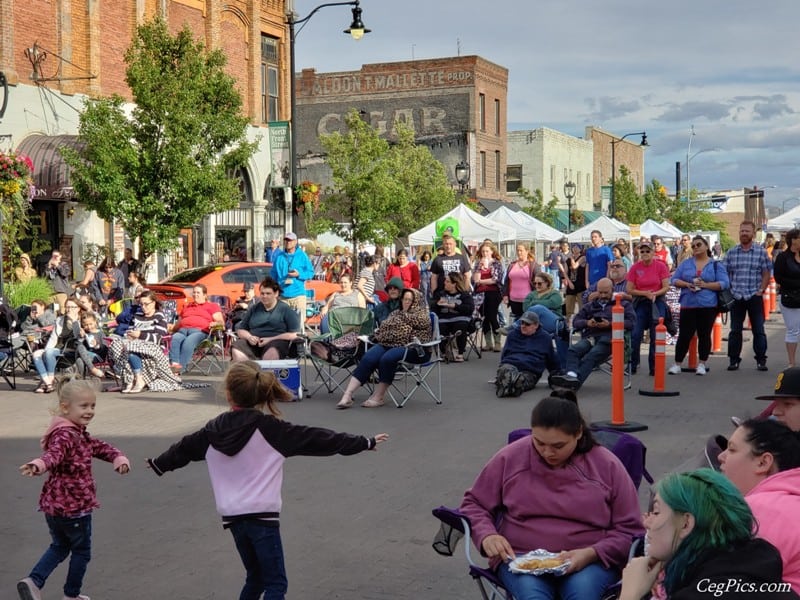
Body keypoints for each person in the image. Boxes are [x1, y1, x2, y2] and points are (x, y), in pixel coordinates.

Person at [146, 361, 388, 600]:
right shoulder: (271, 429)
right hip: (262, 517)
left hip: (233, 518)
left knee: (256, 578)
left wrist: (159, 463)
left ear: (228, 394)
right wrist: (364, 443)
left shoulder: (210, 432)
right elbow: (319, 439)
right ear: (262, 394)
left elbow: (182, 450)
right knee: (275, 583)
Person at [461, 396, 644, 600]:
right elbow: (474, 503)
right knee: (533, 596)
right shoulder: (511, 457)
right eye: (538, 443)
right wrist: (487, 535)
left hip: (589, 558)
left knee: (582, 594)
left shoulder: (606, 465)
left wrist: (592, 553)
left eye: (558, 446)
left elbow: (630, 529)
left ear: (578, 434)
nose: (547, 452)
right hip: (519, 555)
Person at [17, 377, 130, 600]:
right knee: (81, 551)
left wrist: (117, 457)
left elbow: (96, 446)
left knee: (60, 545)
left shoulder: (74, 432)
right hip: (74, 506)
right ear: (65, 407)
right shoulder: (67, 435)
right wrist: (39, 464)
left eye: (93, 406)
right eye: (84, 406)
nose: (89, 411)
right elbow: (53, 455)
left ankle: (33, 581)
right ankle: (71, 595)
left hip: (55, 507)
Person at [619, 469, 798, 600]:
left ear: (686, 524)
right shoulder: (754, 571)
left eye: (656, 512)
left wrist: (629, 595)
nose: (646, 522)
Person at [719, 418, 800, 593]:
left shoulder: (762, 510)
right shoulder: (789, 501)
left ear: (763, 462)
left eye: (732, 449)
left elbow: (720, 586)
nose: (721, 456)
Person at [337, 288, 432, 409]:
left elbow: (413, 336)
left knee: (388, 358)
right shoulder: (395, 313)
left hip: (415, 349)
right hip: (388, 343)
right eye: (405, 299)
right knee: (369, 357)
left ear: (417, 301)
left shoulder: (422, 317)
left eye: (410, 300)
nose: (406, 302)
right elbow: (383, 329)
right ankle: (347, 395)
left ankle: (379, 396)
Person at [551, 278, 636, 390]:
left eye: (606, 292)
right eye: (600, 292)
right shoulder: (590, 305)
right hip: (591, 337)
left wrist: (610, 324)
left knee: (592, 355)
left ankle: (573, 384)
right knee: (573, 350)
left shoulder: (623, 305)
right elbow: (576, 321)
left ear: (613, 290)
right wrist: (587, 322)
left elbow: (632, 323)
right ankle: (571, 376)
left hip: (609, 338)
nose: (603, 295)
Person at [668, 235, 730, 376]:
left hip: (707, 305)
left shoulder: (715, 264)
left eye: (699, 245)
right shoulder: (686, 263)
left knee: (704, 334)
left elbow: (724, 283)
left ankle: (702, 363)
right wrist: (686, 284)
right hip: (688, 304)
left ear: (706, 246)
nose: (695, 247)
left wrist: (706, 285)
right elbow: (674, 279)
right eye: (694, 245)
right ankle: (677, 363)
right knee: (684, 334)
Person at [108, 290, 181, 393]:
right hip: (135, 345)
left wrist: (140, 335)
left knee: (131, 346)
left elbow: (160, 337)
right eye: (141, 304)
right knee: (116, 344)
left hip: (154, 348)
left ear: (153, 303)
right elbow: (131, 330)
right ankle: (128, 380)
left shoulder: (159, 317)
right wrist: (128, 335)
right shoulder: (138, 315)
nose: (143, 307)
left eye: (146, 304)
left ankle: (139, 379)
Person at [723, 220, 772, 371]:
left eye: (747, 231)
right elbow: (725, 273)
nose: (744, 234)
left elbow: (766, 273)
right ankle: (734, 360)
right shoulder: (731, 252)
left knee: (758, 330)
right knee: (735, 330)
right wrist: (729, 290)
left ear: (753, 234)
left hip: (754, 296)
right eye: (742, 231)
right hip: (736, 296)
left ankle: (761, 360)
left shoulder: (761, 252)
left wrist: (761, 290)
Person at [627, 239, 670, 375]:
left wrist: (654, 294)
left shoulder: (661, 266)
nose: (645, 253)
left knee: (656, 334)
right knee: (635, 334)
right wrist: (645, 293)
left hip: (657, 301)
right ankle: (633, 364)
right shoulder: (635, 267)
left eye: (648, 251)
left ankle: (654, 367)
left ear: (653, 252)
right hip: (641, 301)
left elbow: (666, 286)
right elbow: (629, 289)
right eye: (642, 251)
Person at [232, 277, 301, 362]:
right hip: (254, 342)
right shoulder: (254, 309)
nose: (264, 296)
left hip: (276, 342)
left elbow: (295, 334)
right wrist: (249, 337)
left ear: (276, 294)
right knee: (237, 347)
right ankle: (248, 373)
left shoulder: (285, 310)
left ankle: (267, 374)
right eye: (262, 293)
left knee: (271, 352)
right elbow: (241, 330)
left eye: (268, 293)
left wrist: (271, 339)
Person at [494, 310, 560, 397]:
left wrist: (555, 374)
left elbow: (551, 359)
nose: (523, 326)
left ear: (536, 325)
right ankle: (510, 385)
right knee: (506, 369)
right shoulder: (512, 335)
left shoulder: (545, 338)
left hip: (530, 370)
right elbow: (504, 355)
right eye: (522, 323)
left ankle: (509, 385)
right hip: (511, 365)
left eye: (527, 324)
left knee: (521, 379)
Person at [168, 284, 225, 374]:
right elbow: (179, 323)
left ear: (205, 295)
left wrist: (215, 323)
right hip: (182, 331)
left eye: (198, 292)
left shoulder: (212, 306)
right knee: (175, 338)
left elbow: (221, 322)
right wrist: (171, 328)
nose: (195, 294)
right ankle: (174, 366)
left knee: (189, 341)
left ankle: (180, 369)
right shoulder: (187, 306)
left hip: (201, 333)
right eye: (194, 292)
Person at [31, 298, 81, 394]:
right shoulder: (60, 320)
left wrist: (74, 322)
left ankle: (48, 382)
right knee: (36, 354)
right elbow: (53, 338)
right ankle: (48, 383)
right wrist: (45, 351)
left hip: (71, 350)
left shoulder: (80, 320)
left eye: (72, 307)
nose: (69, 309)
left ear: (78, 308)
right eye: (67, 307)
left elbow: (77, 337)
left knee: (49, 352)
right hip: (58, 349)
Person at [270, 232, 314, 330]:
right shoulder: (279, 257)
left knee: (299, 324)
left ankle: (301, 344)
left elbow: (311, 273)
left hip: (298, 296)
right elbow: (273, 275)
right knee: (283, 324)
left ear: (295, 242)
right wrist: (274, 290)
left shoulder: (302, 256)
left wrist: (299, 274)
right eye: (286, 240)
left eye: (290, 240)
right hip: (283, 297)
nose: (288, 242)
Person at [432, 272, 474, 362]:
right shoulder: (440, 294)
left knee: (460, 326)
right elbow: (433, 308)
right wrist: (437, 304)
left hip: (460, 318)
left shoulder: (464, 295)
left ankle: (460, 353)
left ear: (454, 284)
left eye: (447, 281)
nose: (444, 283)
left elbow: (470, 308)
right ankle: (444, 352)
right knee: (440, 327)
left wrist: (454, 306)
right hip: (444, 319)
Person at [774, 229, 800, 368]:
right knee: (793, 329)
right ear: (793, 240)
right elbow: (779, 278)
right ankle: (791, 362)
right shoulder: (783, 258)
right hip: (790, 298)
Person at [472, 242, 504, 352]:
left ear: (491, 251)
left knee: (492, 316)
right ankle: (488, 342)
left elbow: (495, 279)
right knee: (484, 317)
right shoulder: (478, 263)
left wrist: (481, 281)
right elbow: (475, 279)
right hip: (480, 293)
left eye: (487, 251)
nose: (485, 253)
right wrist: (481, 268)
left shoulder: (496, 263)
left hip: (493, 292)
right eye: (483, 251)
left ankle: (498, 341)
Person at [502, 243, 539, 321]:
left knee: (527, 322)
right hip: (513, 300)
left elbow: (540, 281)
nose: (519, 253)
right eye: (518, 250)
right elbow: (507, 281)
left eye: (521, 250)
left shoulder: (533, 265)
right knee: (516, 323)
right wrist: (505, 294)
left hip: (528, 300)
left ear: (527, 251)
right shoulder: (512, 265)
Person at [74, 311, 110, 379]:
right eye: (86, 325)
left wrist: (97, 345)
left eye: (91, 324)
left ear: (95, 322)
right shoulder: (85, 334)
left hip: (98, 356)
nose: (89, 327)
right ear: (82, 325)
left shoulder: (100, 333)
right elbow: (79, 348)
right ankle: (83, 379)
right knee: (79, 356)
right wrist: (81, 338)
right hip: (87, 356)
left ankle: (91, 371)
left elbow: (105, 348)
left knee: (80, 354)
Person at [563, 244, 586, 322]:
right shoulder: (568, 260)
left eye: (577, 247)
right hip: (571, 284)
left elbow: (574, 266)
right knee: (569, 307)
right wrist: (569, 282)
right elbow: (565, 272)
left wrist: (572, 258)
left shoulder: (582, 257)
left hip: (581, 284)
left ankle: (581, 323)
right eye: (574, 247)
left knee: (581, 307)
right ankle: (568, 323)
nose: (575, 249)